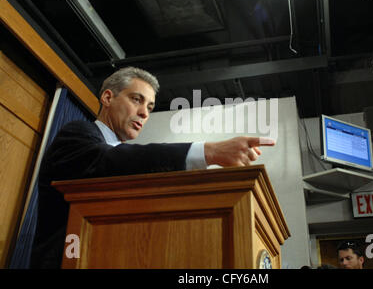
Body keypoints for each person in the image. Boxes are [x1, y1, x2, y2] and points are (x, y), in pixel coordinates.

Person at [30, 66, 275, 268]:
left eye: (149, 107)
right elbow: (111, 160)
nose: (144, 113)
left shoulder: (124, 156)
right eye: (136, 99)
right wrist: (210, 152)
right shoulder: (77, 134)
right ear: (107, 98)